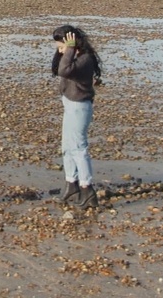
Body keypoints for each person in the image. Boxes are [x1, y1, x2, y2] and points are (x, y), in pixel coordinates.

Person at [51, 24, 103, 209]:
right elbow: (59, 67)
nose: (60, 51)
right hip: (70, 105)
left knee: (79, 147)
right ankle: (71, 183)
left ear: (73, 43)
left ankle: (87, 188)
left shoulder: (85, 59)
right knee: (67, 146)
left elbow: (64, 70)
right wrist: (65, 51)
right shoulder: (72, 56)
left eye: (61, 47)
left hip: (80, 107)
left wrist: (69, 49)